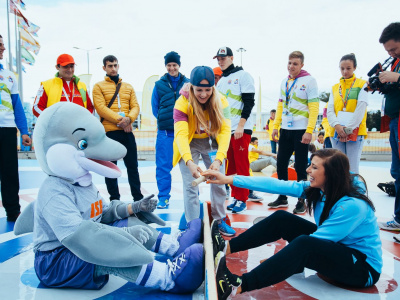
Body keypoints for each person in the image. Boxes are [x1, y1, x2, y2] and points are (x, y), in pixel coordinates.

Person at [203, 149, 382, 299]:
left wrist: (283, 262)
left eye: (314, 167)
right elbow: (276, 184)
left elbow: (314, 243)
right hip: (337, 249)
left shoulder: (352, 206)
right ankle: (224, 248)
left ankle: (237, 285)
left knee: (305, 244)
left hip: (362, 269)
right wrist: (228, 179)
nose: (308, 170)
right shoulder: (321, 189)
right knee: (282, 219)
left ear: (331, 173)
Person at [173, 66, 235, 236]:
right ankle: (192, 226)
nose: (203, 94)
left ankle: (219, 219)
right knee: (190, 185)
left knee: (219, 181)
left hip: (212, 142)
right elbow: (181, 135)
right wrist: (189, 161)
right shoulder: (182, 103)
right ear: (191, 87)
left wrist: (219, 159)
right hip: (190, 143)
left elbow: (224, 132)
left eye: (207, 90)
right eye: (199, 90)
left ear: (213, 87)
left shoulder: (221, 102)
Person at [269, 51, 319, 214]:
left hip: (301, 130)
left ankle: (301, 199)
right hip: (285, 129)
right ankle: (282, 196)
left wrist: (309, 131)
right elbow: (280, 105)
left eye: (295, 64)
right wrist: (276, 126)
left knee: (300, 166)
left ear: (302, 65)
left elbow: (313, 108)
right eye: (289, 63)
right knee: (281, 163)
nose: (291, 66)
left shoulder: (310, 81)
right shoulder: (285, 82)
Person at [93, 55, 143, 201]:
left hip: (127, 133)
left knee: (133, 168)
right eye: (110, 66)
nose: (113, 68)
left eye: (115, 65)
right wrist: (121, 120)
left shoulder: (128, 87)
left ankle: (138, 199)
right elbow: (100, 108)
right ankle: (114, 200)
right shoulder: (98, 87)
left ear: (118, 66)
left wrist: (129, 120)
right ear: (104, 68)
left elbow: (135, 106)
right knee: (110, 169)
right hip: (109, 134)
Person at [214, 46, 255, 214]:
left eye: (223, 58)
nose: (220, 61)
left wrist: (241, 126)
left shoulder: (243, 76)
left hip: (240, 129)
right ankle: (237, 196)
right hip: (226, 130)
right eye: (218, 58)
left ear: (231, 58)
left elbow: (249, 102)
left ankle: (243, 198)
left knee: (242, 164)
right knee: (230, 166)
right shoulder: (222, 80)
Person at [0, 34, 32, 221]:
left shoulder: (9, 76)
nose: (3, 48)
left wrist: (24, 132)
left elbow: (17, 107)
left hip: (7, 129)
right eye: (0, 45)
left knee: (10, 172)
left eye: (3, 44)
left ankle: (13, 211)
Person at [152, 51, 189, 209]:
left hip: (185, 133)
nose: (172, 68)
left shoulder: (188, 83)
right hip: (166, 133)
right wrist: (164, 119)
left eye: (174, 65)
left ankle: (191, 196)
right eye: (169, 65)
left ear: (179, 65)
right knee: (163, 166)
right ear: (166, 66)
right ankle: (163, 197)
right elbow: (155, 108)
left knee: (188, 166)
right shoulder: (159, 85)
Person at [327, 53, 368, 174]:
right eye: (342, 68)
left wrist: (347, 129)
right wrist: (338, 126)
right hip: (336, 131)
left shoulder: (362, 84)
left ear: (355, 67)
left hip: (355, 131)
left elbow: (360, 109)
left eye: (348, 68)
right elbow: (330, 110)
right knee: (338, 167)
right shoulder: (335, 87)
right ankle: (339, 193)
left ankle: (354, 193)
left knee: (352, 168)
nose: (345, 71)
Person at [376, 23, 400, 231]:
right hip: (394, 120)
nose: (391, 54)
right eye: (388, 51)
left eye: (394, 49)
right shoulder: (395, 62)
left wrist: (398, 77)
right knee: (397, 171)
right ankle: (399, 218)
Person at [247, 137, 277, 201]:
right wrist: (274, 154)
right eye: (256, 142)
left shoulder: (253, 146)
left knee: (271, 158)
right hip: (251, 165)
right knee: (270, 159)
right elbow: (261, 152)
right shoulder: (250, 146)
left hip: (254, 165)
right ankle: (281, 169)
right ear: (251, 142)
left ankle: (283, 166)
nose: (257, 144)